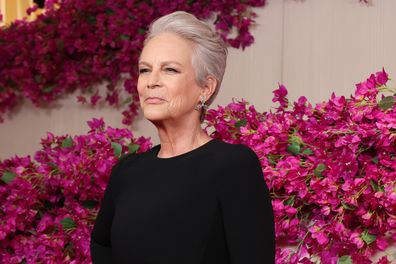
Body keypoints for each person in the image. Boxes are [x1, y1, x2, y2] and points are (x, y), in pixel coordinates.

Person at [90, 10, 275, 264]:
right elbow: (102, 249)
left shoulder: (234, 166)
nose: (151, 82)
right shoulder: (126, 172)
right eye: (145, 70)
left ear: (205, 88)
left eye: (170, 70)